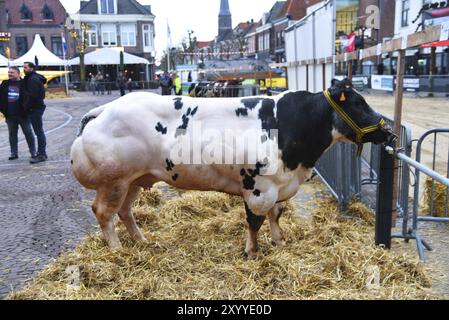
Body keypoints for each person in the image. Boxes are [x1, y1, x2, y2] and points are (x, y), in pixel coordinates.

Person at [0, 67, 36, 161]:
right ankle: (14, 153)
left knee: (28, 133)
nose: (10, 74)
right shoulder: (5, 83)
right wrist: (3, 110)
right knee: (12, 134)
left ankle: (33, 152)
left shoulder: (25, 83)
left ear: (18, 73)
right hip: (10, 115)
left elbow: (30, 96)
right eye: (9, 72)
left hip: (23, 114)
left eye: (12, 72)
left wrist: (27, 109)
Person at [22, 62, 48, 164]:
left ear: (31, 68)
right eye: (23, 67)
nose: (24, 69)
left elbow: (32, 96)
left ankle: (41, 154)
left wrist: (26, 106)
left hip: (35, 108)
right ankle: (42, 153)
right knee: (39, 131)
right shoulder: (33, 77)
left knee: (39, 132)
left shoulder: (32, 79)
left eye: (26, 67)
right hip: (36, 108)